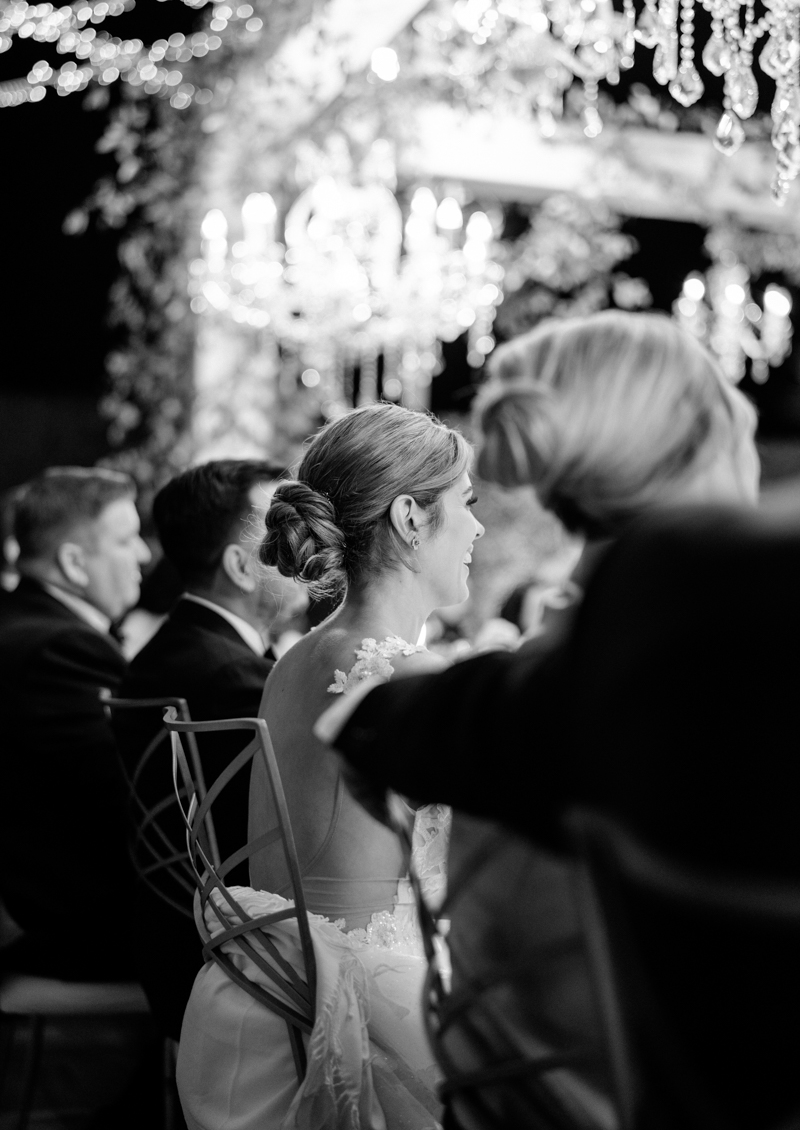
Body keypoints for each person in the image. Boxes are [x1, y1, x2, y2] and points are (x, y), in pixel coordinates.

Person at [319, 312, 763, 1130]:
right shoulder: (702, 642)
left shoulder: (499, 702)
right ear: (709, 439)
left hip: (528, 1086)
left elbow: (366, 728)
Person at [177, 403, 483, 1129]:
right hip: (357, 1016)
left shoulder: (294, 660)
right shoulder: (401, 675)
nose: (476, 530)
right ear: (411, 518)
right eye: (467, 504)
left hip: (263, 989)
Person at [117, 458, 289, 1037]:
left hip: (163, 939)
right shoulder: (237, 682)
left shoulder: (166, 656)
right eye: (284, 524)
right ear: (241, 566)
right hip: (228, 962)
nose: (306, 541)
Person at [0, 466, 150, 980]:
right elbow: (125, 796)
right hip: (61, 925)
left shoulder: (24, 624)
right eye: (127, 540)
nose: (144, 555)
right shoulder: (59, 648)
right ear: (73, 561)